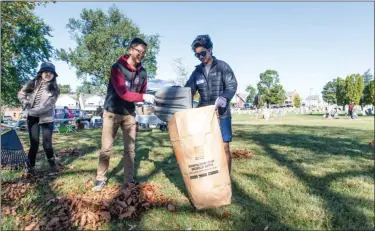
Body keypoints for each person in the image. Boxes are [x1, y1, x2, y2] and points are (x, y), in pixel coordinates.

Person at [93, 38, 155, 191]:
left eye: (144, 52)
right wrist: (142, 97)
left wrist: (142, 99)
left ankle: (129, 180)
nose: (141, 54)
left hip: (129, 114)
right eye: (138, 50)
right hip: (112, 113)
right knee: (106, 148)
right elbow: (123, 93)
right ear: (130, 50)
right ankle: (100, 179)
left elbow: (142, 92)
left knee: (130, 150)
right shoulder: (117, 68)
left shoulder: (143, 72)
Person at [184, 35, 238, 173]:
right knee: (206, 148)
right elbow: (188, 91)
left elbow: (231, 85)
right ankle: (211, 178)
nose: (201, 57)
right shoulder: (197, 72)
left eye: (203, 53)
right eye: (197, 55)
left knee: (224, 147)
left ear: (211, 50)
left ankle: (226, 179)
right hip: (204, 116)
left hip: (222, 114)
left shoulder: (222, 67)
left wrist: (224, 98)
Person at [17, 62, 61, 175]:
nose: (48, 74)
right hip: (32, 118)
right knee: (34, 144)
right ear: (41, 73)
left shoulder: (55, 89)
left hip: (46, 118)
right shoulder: (32, 83)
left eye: (51, 73)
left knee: (47, 144)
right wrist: (25, 103)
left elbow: (48, 106)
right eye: (46, 72)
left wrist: (29, 112)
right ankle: (30, 166)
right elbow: (21, 94)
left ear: (54, 75)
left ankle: (52, 163)